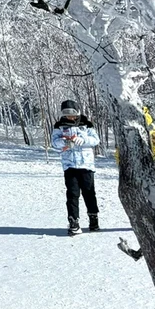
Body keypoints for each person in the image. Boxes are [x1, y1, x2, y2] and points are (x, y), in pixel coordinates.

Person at [51, 98, 101, 235]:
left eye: (72, 114)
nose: (70, 117)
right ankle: (73, 221)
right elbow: (54, 144)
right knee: (72, 194)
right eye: (66, 114)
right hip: (70, 165)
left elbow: (96, 140)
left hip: (86, 165)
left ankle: (93, 218)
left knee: (89, 193)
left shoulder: (86, 124)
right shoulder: (59, 126)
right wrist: (63, 142)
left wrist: (83, 140)